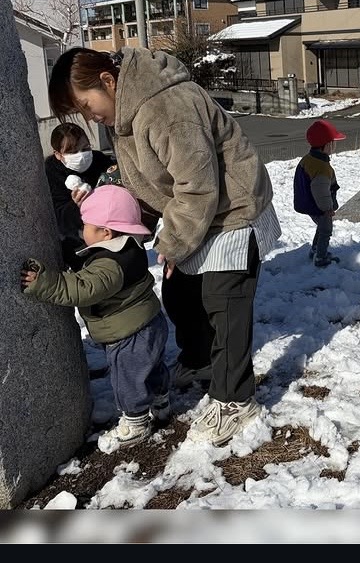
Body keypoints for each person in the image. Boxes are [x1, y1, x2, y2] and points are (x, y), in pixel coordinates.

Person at [48, 47, 281, 447]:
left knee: (224, 302)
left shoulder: (167, 105)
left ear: (108, 81)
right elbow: (152, 183)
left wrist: (170, 244)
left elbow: (196, 185)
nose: (89, 117)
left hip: (232, 211)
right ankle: (199, 359)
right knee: (180, 292)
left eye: (86, 105)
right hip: (197, 216)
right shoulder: (126, 115)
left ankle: (235, 398)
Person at [21, 185, 171, 452]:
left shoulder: (109, 266)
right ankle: (161, 401)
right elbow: (93, 263)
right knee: (151, 368)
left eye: (86, 226)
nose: (83, 230)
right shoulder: (127, 246)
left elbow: (83, 288)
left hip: (128, 336)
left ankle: (135, 422)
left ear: (106, 232)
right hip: (148, 323)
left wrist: (44, 283)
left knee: (128, 379)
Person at [45, 122, 112, 269]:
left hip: (111, 233)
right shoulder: (52, 173)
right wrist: (77, 206)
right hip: (79, 245)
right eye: (72, 152)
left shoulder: (100, 160)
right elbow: (58, 217)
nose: (81, 155)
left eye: (85, 148)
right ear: (58, 154)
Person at [293, 119, 345, 267]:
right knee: (326, 230)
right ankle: (320, 257)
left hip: (309, 203)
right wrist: (327, 208)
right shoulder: (321, 167)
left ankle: (315, 250)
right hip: (319, 206)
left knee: (321, 227)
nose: (334, 146)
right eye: (333, 143)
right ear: (327, 145)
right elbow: (320, 190)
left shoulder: (308, 159)